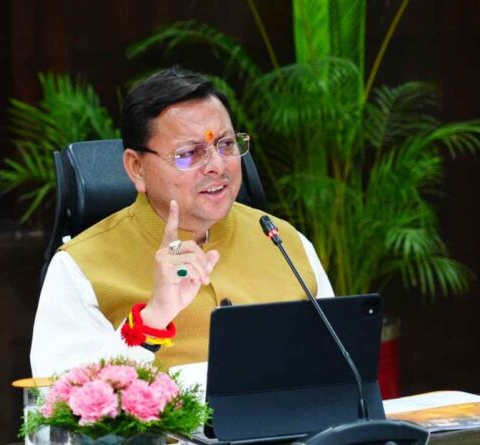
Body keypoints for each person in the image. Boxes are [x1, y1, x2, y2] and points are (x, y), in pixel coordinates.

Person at [30, 68, 334, 377]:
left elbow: (341, 373)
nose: (217, 166)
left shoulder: (285, 242)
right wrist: (152, 319)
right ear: (136, 168)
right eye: (189, 153)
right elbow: (62, 400)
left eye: (226, 145)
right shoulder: (80, 267)